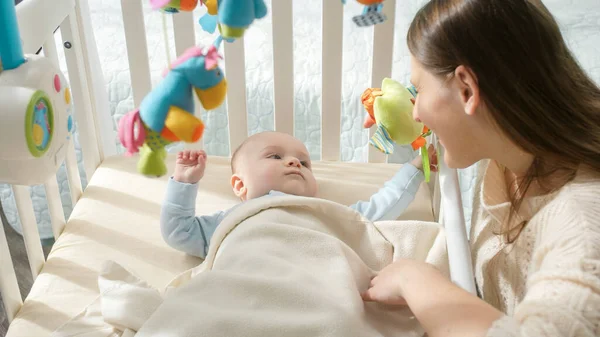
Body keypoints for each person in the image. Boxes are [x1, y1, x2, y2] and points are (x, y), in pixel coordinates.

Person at [361, 0, 600, 336]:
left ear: (467, 89)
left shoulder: (582, 226)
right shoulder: (508, 147)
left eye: (420, 87)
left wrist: (414, 280)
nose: (416, 114)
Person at [160, 131, 437, 258]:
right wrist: (184, 183)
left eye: (304, 163)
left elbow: (382, 206)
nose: (294, 162)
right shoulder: (232, 218)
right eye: (275, 156)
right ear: (240, 186)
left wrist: (412, 169)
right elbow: (180, 233)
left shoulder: (326, 210)